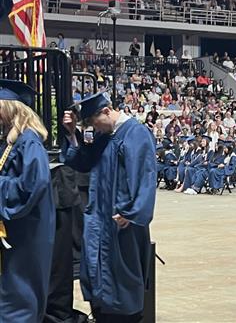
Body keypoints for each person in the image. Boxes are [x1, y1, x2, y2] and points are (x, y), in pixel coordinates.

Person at [61, 92, 156, 321]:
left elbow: (145, 177)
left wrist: (131, 214)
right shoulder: (107, 136)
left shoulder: (136, 133)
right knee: (99, 279)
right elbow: (83, 162)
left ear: (106, 111)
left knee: (122, 283)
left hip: (121, 223)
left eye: (95, 123)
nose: (96, 128)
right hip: (100, 221)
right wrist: (72, 133)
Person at [0, 79, 55, 322]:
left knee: (21, 289)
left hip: (28, 229)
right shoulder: (13, 141)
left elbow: (33, 185)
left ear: (10, 108)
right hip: (18, 227)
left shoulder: (29, 141)